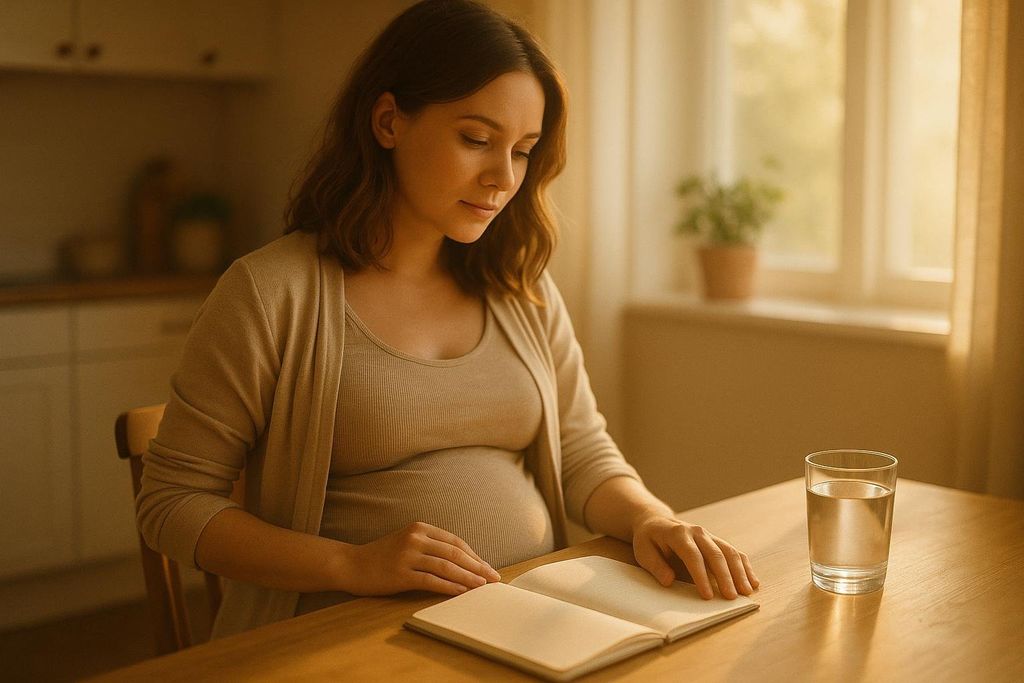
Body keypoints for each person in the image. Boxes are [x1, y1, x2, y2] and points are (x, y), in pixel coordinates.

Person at [136, 0, 758, 640]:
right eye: (476, 140)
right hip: (343, 638)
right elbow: (171, 505)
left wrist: (651, 519)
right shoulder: (270, 295)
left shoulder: (520, 284)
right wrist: (351, 564)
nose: (502, 178)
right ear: (387, 122)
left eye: (522, 151)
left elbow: (580, 450)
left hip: (524, 625)